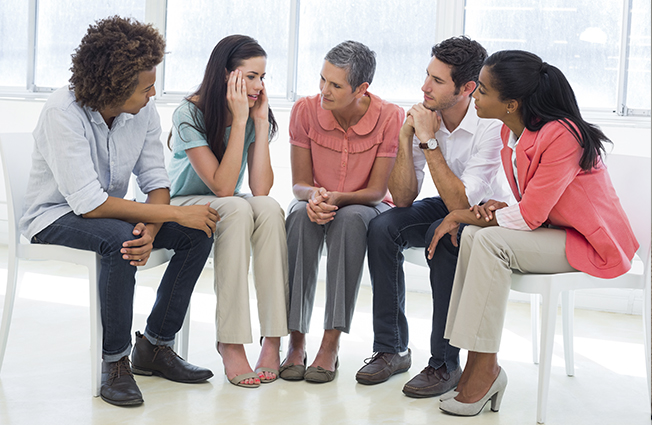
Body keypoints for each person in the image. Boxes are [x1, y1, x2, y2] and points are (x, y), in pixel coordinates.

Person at [19, 16, 218, 407]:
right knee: (123, 241)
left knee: (198, 233)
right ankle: (114, 365)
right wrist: (169, 217)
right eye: (146, 87)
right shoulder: (63, 111)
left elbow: (156, 182)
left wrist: (152, 229)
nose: (153, 93)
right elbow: (87, 202)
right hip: (53, 215)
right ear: (115, 86)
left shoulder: (142, 111)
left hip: (110, 213)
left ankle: (156, 347)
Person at [430, 50, 638, 416]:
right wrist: (496, 209)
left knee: (488, 240)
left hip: (592, 242)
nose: (474, 95)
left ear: (510, 104)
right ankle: (478, 361)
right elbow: (533, 208)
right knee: (477, 237)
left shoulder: (562, 135)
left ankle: (484, 367)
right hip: (557, 231)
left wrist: (461, 214)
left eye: (483, 90)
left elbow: (530, 215)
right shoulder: (516, 134)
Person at [355, 36, 510, 399]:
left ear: (467, 88)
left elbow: (463, 201)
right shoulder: (427, 117)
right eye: (427, 75)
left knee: (446, 242)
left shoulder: (490, 124)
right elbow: (405, 196)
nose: (425, 87)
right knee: (382, 228)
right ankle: (392, 349)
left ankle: (444, 363)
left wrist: (428, 140)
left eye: (437, 81)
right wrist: (407, 134)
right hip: (447, 200)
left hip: (485, 214)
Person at [168, 35, 288, 388]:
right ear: (225, 75)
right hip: (182, 204)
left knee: (267, 207)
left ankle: (273, 338)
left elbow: (262, 188)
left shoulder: (253, 112)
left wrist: (260, 122)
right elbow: (221, 186)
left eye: (262, 78)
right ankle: (231, 342)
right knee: (235, 206)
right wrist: (239, 120)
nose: (258, 86)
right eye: (250, 76)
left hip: (225, 203)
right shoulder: (188, 112)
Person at [281, 40, 404, 383]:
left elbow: (378, 191)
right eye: (322, 79)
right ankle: (296, 341)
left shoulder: (390, 116)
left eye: (335, 85)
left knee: (349, 222)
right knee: (297, 216)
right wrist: (315, 197)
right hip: (318, 198)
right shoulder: (304, 111)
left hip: (366, 203)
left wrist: (335, 198)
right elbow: (300, 184)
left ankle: (330, 342)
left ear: (362, 88)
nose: (324, 90)